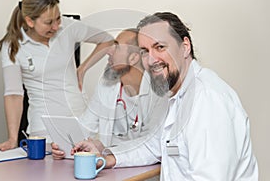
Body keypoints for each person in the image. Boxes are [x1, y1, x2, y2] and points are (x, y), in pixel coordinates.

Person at [71, 12, 259, 180]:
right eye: (145, 51)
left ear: (185, 47)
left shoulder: (207, 99)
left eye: (160, 47)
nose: (151, 60)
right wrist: (108, 158)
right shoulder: (177, 94)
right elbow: (153, 146)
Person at [0, 0, 113, 151]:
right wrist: (12, 139)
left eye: (58, 18)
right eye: (49, 22)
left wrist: (82, 69)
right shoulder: (13, 47)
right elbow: (14, 95)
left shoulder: (68, 27)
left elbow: (107, 40)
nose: (56, 26)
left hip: (80, 120)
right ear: (30, 21)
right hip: (44, 128)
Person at [51, 28, 168, 159]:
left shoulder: (159, 93)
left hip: (143, 170)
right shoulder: (106, 84)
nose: (108, 51)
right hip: (110, 165)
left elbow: (151, 145)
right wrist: (65, 145)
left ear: (133, 58)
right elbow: (86, 125)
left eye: (116, 46)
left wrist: (106, 151)